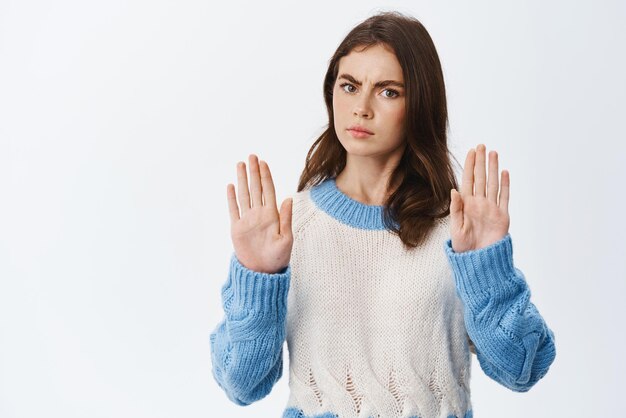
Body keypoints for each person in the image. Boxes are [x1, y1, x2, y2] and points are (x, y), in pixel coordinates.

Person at [209, 10, 556, 418]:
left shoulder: (458, 229)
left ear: (420, 103)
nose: (361, 108)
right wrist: (258, 276)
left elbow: (524, 369)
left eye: (388, 91)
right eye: (349, 86)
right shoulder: (290, 230)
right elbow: (241, 385)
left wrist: (486, 269)